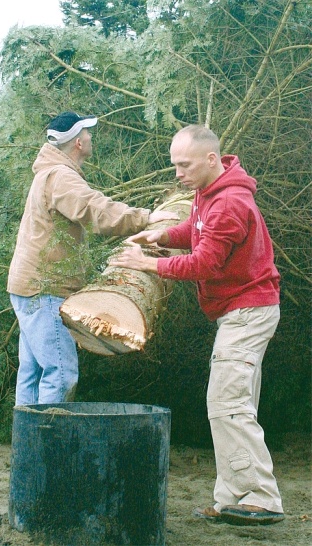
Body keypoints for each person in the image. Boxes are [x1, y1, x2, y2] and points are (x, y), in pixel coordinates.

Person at [109, 124, 285, 526]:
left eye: (183, 165)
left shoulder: (230, 204)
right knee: (231, 404)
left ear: (210, 159)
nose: (177, 173)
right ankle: (232, 498)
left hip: (248, 312)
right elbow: (196, 232)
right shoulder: (208, 193)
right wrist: (163, 235)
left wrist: (148, 263)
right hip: (238, 311)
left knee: (228, 404)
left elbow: (205, 263)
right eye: (174, 165)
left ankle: (261, 497)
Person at [7, 111, 178, 407]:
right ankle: (49, 448)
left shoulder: (50, 173)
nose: (90, 138)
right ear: (76, 142)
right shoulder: (60, 177)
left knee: (32, 373)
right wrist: (146, 217)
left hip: (29, 287)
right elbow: (96, 211)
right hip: (45, 291)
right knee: (60, 373)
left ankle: (29, 450)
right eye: (86, 133)